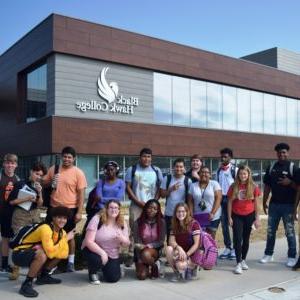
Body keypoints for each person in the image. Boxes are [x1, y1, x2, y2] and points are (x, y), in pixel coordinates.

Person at [12, 206, 74, 298]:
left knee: (58, 251)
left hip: (33, 253)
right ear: (53, 218)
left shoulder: (63, 233)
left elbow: (63, 254)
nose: (62, 220)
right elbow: (50, 253)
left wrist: (61, 242)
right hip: (19, 254)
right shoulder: (46, 228)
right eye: (59, 217)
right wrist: (65, 240)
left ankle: (43, 276)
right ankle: (26, 284)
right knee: (42, 254)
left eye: (65, 218)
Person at [43, 146, 87, 272]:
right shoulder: (54, 169)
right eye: (65, 156)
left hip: (70, 209)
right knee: (50, 234)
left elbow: (82, 194)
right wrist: (49, 182)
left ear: (74, 159)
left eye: (69, 157)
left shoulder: (78, 173)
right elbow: (44, 183)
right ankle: (51, 262)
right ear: (62, 157)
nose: (66, 159)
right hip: (54, 207)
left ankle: (70, 263)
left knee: (70, 236)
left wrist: (79, 212)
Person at [260, 143, 298, 267]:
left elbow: (299, 188)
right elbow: (267, 186)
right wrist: (264, 201)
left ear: (288, 153)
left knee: (290, 232)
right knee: (271, 231)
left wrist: (290, 182)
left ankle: (292, 256)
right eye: (279, 152)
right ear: (276, 154)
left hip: (288, 206)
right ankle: (268, 254)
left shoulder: (294, 168)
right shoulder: (271, 167)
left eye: (284, 152)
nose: (282, 154)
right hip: (274, 205)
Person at [8, 161, 47, 280]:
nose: (38, 177)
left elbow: (40, 204)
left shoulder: (39, 186)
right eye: (36, 173)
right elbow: (11, 202)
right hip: (20, 215)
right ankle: (14, 268)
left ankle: (33, 267)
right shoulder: (20, 183)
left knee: (33, 241)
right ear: (31, 172)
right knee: (17, 240)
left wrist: (39, 192)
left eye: (41, 175)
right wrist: (27, 198)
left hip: (34, 214)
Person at [81, 200, 130, 284]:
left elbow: (126, 244)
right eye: (111, 207)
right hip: (93, 249)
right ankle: (93, 272)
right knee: (97, 260)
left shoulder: (122, 223)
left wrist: (123, 239)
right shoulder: (97, 219)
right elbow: (89, 241)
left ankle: (105, 268)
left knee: (113, 278)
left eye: (116, 208)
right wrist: (102, 253)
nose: (113, 210)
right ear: (106, 209)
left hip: (112, 253)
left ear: (119, 210)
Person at [227, 165, 260, 274]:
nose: (243, 175)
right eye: (241, 174)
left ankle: (243, 260)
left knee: (246, 239)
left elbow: (256, 203)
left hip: (249, 215)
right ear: (238, 175)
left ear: (248, 174)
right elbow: (230, 202)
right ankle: (238, 263)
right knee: (237, 238)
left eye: (245, 173)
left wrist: (257, 218)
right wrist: (229, 217)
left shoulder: (254, 186)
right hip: (237, 215)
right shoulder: (233, 186)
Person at [165, 203, 201, 281]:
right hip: (181, 251)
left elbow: (196, 244)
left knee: (181, 265)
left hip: (192, 253)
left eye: (183, 211)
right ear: (175, 213)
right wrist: (179, 248)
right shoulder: (174, 224)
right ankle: (176, 273)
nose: (181, 213)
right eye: (178, 211)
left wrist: (186, 255)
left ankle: (193, 268)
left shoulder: (194, 224)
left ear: (187, 212)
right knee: (168, 249)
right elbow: (171, 241)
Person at [160, 158, 192, 242]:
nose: (179, 169)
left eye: (181, 167)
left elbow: (190, 199)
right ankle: (170, 253)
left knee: (182, 237)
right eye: (177, 166)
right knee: (170, 237)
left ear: (184, 168)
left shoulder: (188, 181)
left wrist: (189, 213)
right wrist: (171, 189)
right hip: (169, 213)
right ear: (173, 168)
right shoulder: (167, 178)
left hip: (182, 214)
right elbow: (162, 195)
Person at [133, 199, 166, 280]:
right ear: (145, 208)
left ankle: (154, 266)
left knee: (146, 254)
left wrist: (148, 246)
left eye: (155, 209)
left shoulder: (161, 222)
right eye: (150, 208)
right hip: (140, 251)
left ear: (158, 211)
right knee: (142, 276)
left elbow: (161, 242)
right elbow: (137, 242)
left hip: (155, 251)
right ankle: (150, 265)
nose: (152, 210)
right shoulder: (138, 222)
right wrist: (140, 259)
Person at [187, 166, 222, 239]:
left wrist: (213, 213)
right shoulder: (193, 186)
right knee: (198, 238)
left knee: (210, 238)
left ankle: (211, 250)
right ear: (199, 174)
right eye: (202, 172)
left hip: (212, 217)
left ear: (210, 175)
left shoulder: (214, 184)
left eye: (206, 172)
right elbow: (190, 201)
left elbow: (218, 199)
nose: (204, 174)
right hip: (198, 216)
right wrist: (191, 214)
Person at [0, 153, 20, 273]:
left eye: (12, 163)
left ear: (16, 165)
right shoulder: (0, 176)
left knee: (6, 238)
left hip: (9, 213)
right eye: (7, 162)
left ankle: (4, 264)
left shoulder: (17, 179)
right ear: (3, 164)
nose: (10, 165)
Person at [216, 148, 237, 260]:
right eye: (222, 156)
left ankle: (235, 248)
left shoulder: (235, 170)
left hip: (232, 200)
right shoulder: (219, 170)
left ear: (230, 158)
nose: (223, 158)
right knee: (224, 225)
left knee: (234, 224)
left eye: (226, 156)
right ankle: (228, 247)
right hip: (221, 199)